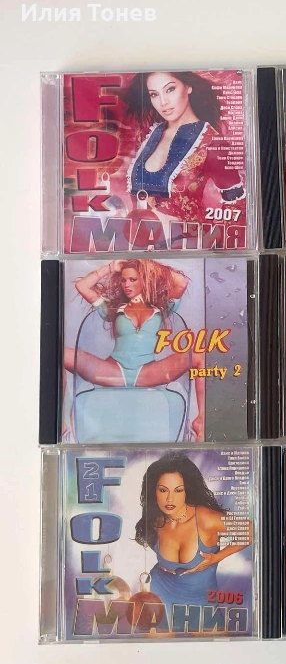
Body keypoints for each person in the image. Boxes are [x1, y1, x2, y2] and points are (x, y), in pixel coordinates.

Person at [63, 258, 205, 440]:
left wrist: (146, 264)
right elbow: (82, 286)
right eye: (123, 280)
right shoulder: (113, 308)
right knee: (60, 355)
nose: (126, 285)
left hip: (146, 372)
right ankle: (62, 422)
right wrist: (110, 267)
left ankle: (201, 420)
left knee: (199, 355)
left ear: (144, 280)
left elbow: (181, 282)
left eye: (133, 279)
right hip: (114, 371)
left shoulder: (161, 307)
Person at [122, 71, 244, 223]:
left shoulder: (211, 143)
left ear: (188, 86)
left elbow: (238, 207)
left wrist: (209, 233)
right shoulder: (146, 136)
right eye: (154, 94)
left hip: (186, 236)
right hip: (138, 236)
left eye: (170, 89)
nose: (163, 102)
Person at [134, 452, 251, 607]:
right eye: (163, 490)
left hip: (202, 605)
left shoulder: (204, 519)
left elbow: (250, 530)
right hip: (160, 596)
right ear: (153, 491)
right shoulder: (155, 521)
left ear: (187, 490)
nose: (170, 499)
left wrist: (217, 557)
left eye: (178, 490)